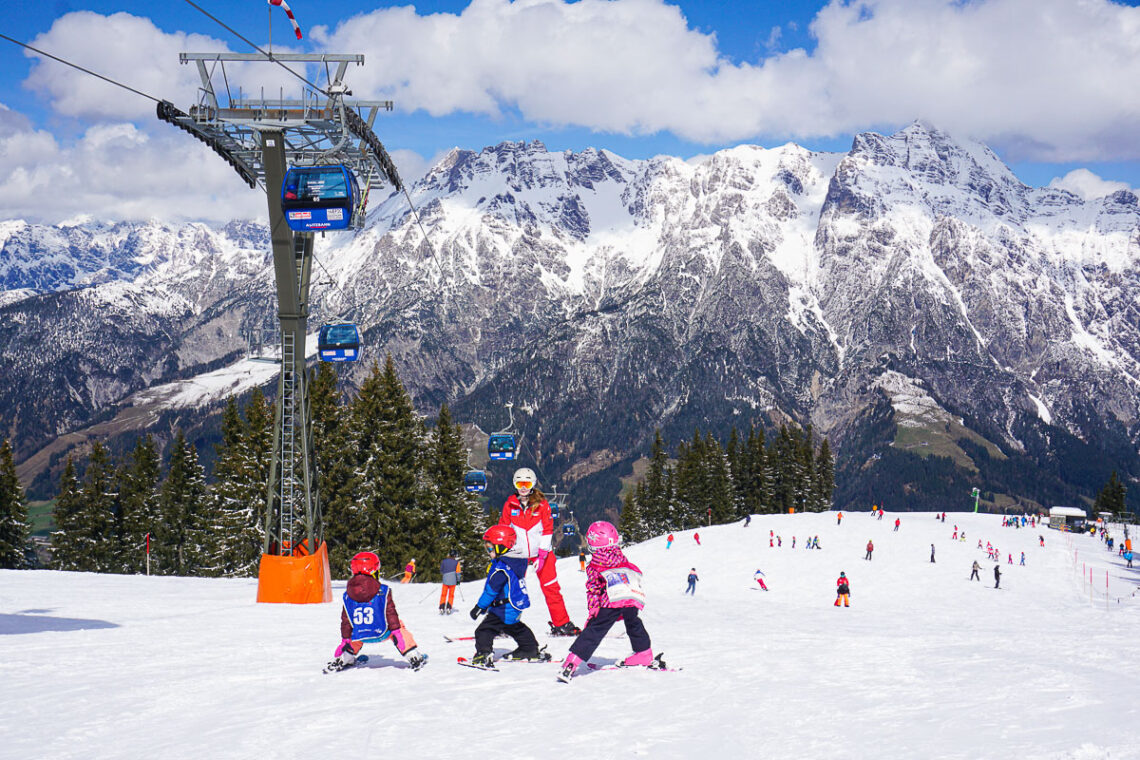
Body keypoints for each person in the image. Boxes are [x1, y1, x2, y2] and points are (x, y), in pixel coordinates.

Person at [558, 522, 657, 682]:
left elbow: (594, 589)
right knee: (633, 622)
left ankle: (572, 661)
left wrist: (593, 610)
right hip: (630, 595)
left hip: (612, 600)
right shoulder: (620, 556)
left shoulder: (596, 565)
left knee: (596, 629)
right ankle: (643, 653)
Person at [498, 467, 580, 636]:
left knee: (551, 587)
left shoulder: (542, 505)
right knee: (510, 588)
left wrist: (542, 554)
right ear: (515, 484)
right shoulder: (509, 505)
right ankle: (503, 624)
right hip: (517, 553)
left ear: (533, 484)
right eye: (519, 483)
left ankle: (561, 623)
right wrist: (503, 550)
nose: (523, 487)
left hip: (541, 553)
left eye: (526, 483)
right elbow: (504, 528)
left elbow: (548, 530)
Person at [328, 551, 427, 672]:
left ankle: (345, 657)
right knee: (399, 626)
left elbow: (346, 621)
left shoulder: (348, 595)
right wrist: (396, 632)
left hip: (361, 635)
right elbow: (391, 614)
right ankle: (413, 655)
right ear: (374, 571)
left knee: (354, 633)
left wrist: (345, 640)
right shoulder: (383, 591)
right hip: (382, 631)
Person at [468, 525, 544, 667]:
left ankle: (483, 654)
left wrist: (480, 607)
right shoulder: (515, 561)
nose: (488, 552)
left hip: (503, 608)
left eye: (490, 548)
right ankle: (530, 648)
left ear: (501, 547)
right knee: (513, 627)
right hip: (514, 605)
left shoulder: (502, 568)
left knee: (484, 630)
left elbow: (491, 591)